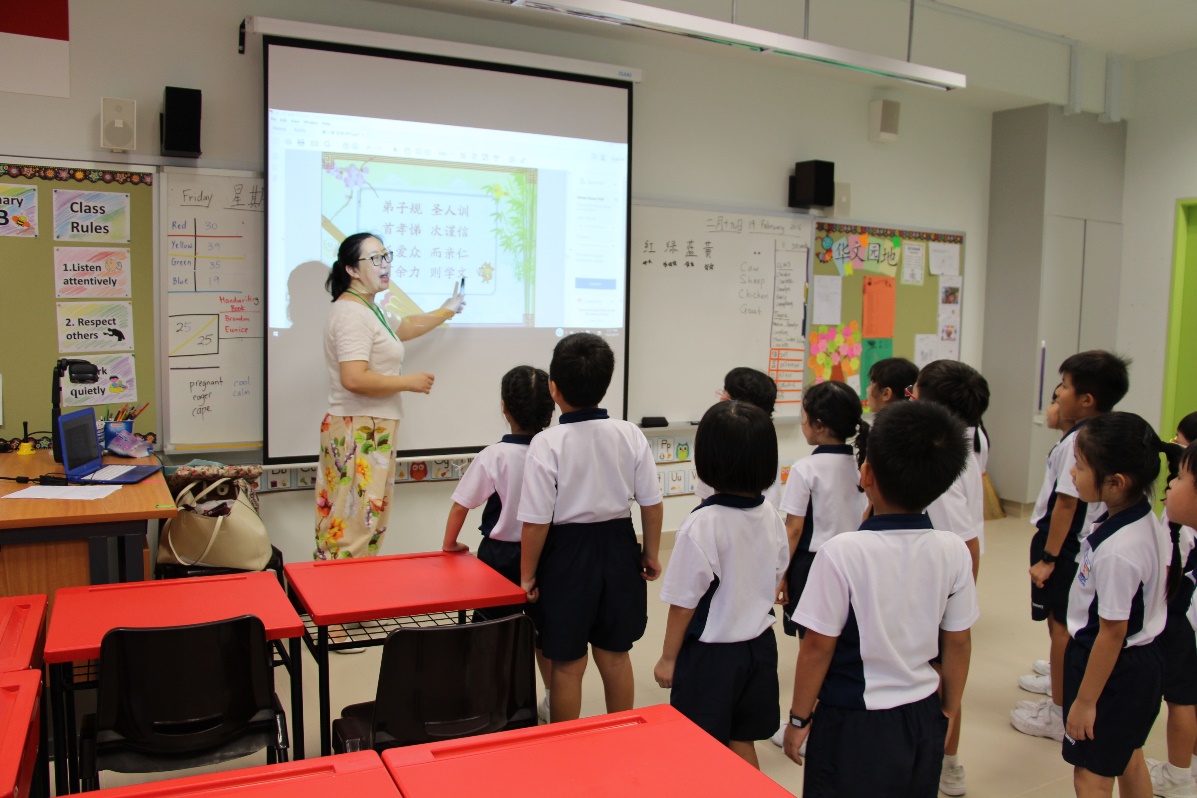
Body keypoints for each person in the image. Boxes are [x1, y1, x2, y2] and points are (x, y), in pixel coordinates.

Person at [781, 401, 978, 798]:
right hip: (923, 712)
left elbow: (817, 647)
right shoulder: (953, 549)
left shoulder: (841, 552)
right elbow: (958, 641)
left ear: (866, 474)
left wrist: (799, 719)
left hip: (854, 720)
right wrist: (948, 711)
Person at [518, 333, 664, 723]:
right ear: (606, 383)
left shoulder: (547, 443)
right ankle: (621, 737)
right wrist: (649, 552)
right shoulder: (629, 433)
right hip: (619, 546)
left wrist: (527, 575)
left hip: (565, 556)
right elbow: (651, 502)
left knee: (567, 664)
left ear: (553, 388)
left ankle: (568, 753)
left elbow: (535, 523)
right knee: (616, 657)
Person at [654, 401, 789, 768]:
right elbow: (776, 576)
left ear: (706, 460)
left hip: (711, 656)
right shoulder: (771, 516)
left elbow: (683, 604)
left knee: (701, 749)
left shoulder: (702, 524)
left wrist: (668, 659)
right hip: (759, 648)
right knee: (740, 739)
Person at [315, 232, 465, 562]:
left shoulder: (368, 308)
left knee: (366, 523)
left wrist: (447, 310)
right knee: (352, 528)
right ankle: (340, 607)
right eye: (375, 259)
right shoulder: (351, 313)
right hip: (360, 427)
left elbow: (405, 326)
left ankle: (349, 606)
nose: (385, 265)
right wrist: (406, 382)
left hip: (372, 426)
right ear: (352, 270)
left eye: (386, 256)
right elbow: (353, 378)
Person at [1013, 351, 1131, 742]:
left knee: (1060, 626)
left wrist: (1048, 557)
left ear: (1087, 400)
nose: (1058, 393)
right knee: (1064, 623)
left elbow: (1066, 502)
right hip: (1071, 545)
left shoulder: (1079, 442)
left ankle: (1058, 712)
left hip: (1063, 548)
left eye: (1064, 386)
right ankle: (1059, 686)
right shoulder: (1093, 433)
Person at [1060, 412, 1179, 798]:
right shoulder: (1142, 518)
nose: (1073, 473)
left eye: (1080, 466)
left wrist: (1085, 701)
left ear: (1115, 482)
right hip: (1138, 665)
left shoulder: (1120, 551)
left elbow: (1112, 633)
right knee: (1128, 756)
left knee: (1090, 775)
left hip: (1112, 672)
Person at [441, 365, 555, 717]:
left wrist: (450, 544)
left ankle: (487, 701)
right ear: (550, 408)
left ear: (504, 407)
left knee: (491, 633)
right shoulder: (554, 450)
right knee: (544, 634)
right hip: (546, 553)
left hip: (498, 558)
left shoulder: (495, 455)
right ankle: (552, 697)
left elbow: (462, 504)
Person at [907, 358, 988, 795]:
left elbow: (965, 543)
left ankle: (947, 766)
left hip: (941, 598)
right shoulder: (958, 451)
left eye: (915, 392)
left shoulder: (946, 465)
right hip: (940, 592)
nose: (909, 398)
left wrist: (955, 613)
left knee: (944, 686)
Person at [1147, 428, 1197, 798]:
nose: (1170, 486)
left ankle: (1179, 777)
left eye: (1180, 478)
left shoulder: (1185, 538)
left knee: (1182, 698)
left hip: (1185, 635)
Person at [692, 367, 783, 508]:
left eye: (726, 396)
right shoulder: (718, 443)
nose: (721, 398)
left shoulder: (759, 451)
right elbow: (707, 500)